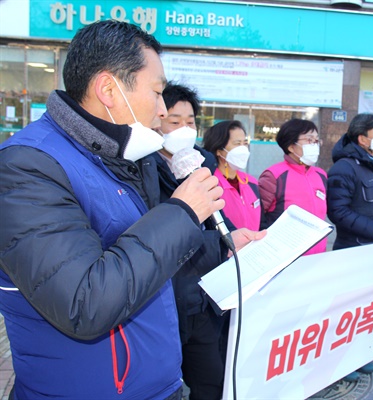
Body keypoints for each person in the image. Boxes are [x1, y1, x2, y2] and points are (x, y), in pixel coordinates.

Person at [0, 20, 261, 400]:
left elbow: (145, 255)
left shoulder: (127, 155)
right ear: (109, 89)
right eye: (157, 94)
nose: (161, 110)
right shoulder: (27, 166)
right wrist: (184, 212)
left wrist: (219, 244)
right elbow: (83, 302)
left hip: (158, 383)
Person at [152, 83, 256, 400]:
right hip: (164, 303)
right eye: (174, 121)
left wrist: (234, 239)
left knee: (212, 381)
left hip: (205, 300)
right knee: (163, 385)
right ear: (155, 119)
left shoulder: (202, 166)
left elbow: (219, 220)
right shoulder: (141, 170)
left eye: (191, 121)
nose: (184, 129)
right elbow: (158, 238)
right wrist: (221, 243)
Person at [327, 113, 373, 381]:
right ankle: (340, 363)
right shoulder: (344, 168)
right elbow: (338, 211)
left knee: (368, 309)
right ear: (362, 138)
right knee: (348, 312)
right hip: (353, 251)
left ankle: (360, 355)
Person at [258, 118, 328, 254]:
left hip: (318, 253)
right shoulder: (274, 175)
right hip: (285, 256)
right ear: (291, 147)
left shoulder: (321, 175)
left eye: (316, 140)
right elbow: (259, 219)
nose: (314, 144)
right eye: (309, 140)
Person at [204, 120, 261, 231]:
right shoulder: (210, 184)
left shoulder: (252, 182)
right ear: (219, 151)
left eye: (245, 143)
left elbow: (262, 221)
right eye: (237, 144)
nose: (243, 149)